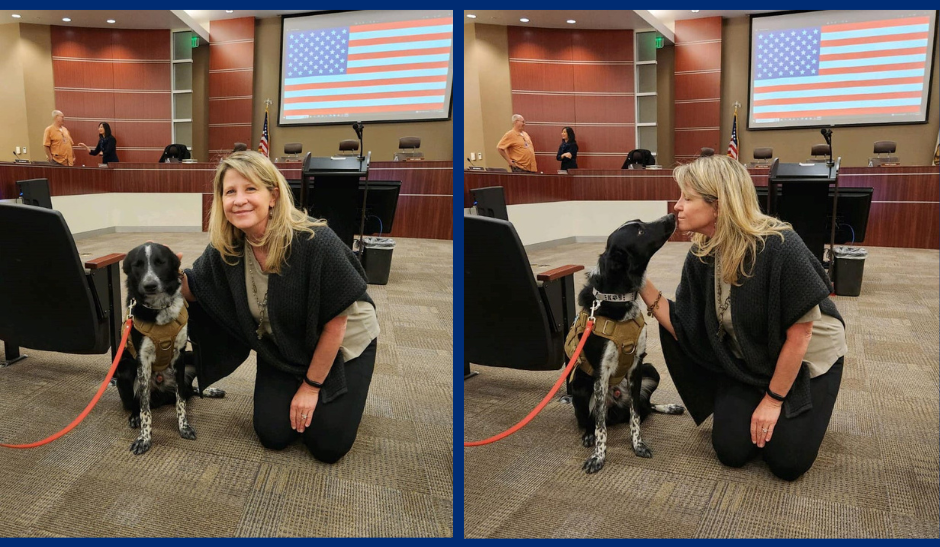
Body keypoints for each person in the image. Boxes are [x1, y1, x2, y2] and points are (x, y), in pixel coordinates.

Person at [640, 154, 846, 481]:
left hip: (808, 358)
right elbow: (686, 324)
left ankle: (796, 403)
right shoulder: (702, 254)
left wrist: (773, 400)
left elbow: (800, 337)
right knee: (731, 450)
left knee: (787, 462)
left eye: (687, 198)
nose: (676, 206)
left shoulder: (781, 246)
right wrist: (636, 276)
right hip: (752, 357)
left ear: (719, 205)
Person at [177, 150, 380, 463]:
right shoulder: (227, 247)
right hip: (284, 344)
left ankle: (337, 392)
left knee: (327, 445)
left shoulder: (315, 240)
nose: (239, 200)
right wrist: (160, 272)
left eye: (250, 189)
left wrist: (311, 388)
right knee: (273, 434)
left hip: (342, 344)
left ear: (272, 196)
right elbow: (195, 288)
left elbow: (336, 325)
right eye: (230, 191)